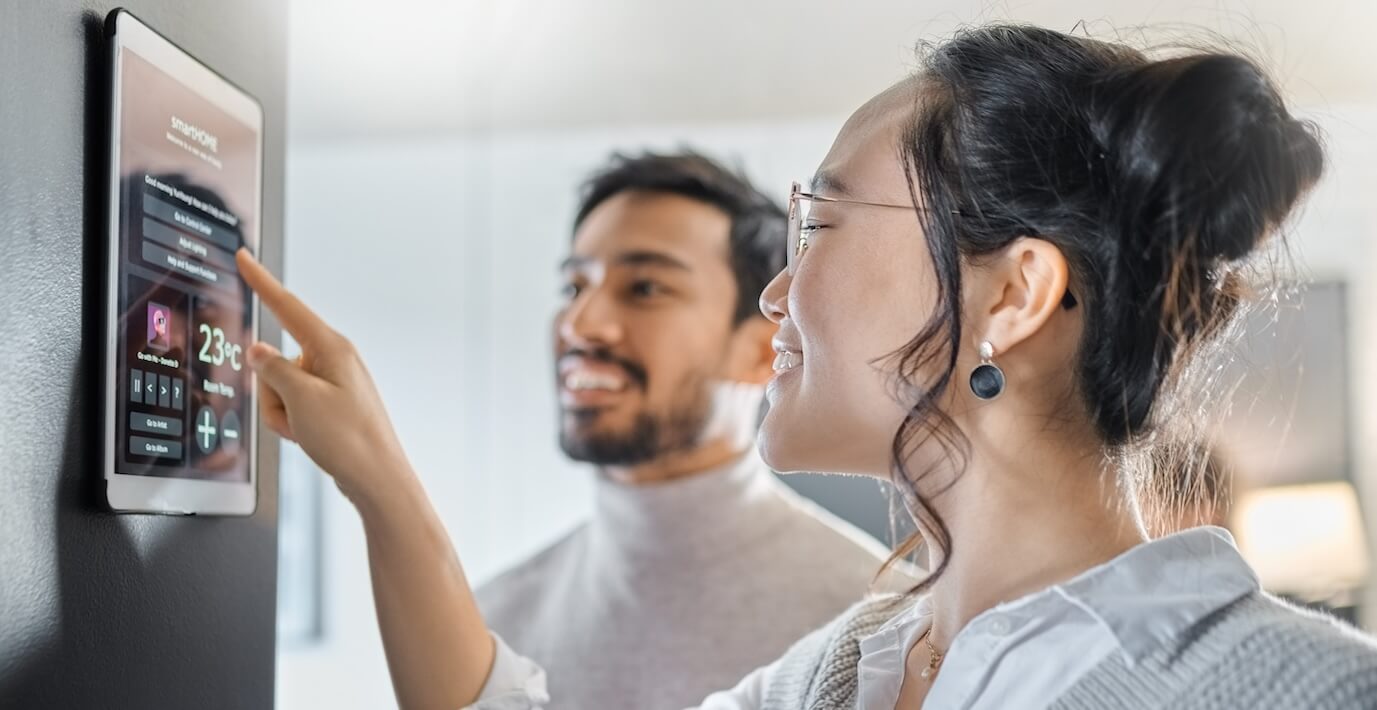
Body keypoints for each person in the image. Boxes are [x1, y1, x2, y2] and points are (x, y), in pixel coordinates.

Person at [236, 23, 1377, 710]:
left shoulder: (1308, 690)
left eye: (820, 226)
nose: (777, 292)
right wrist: (378, 473)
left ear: (1017, 293)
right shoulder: (850, 667)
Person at [471, 151, 906, 708]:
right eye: (575, 287)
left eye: (645, 289)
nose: (580, 325)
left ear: (761, 348)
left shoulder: (880, 626)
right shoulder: (491, 625)